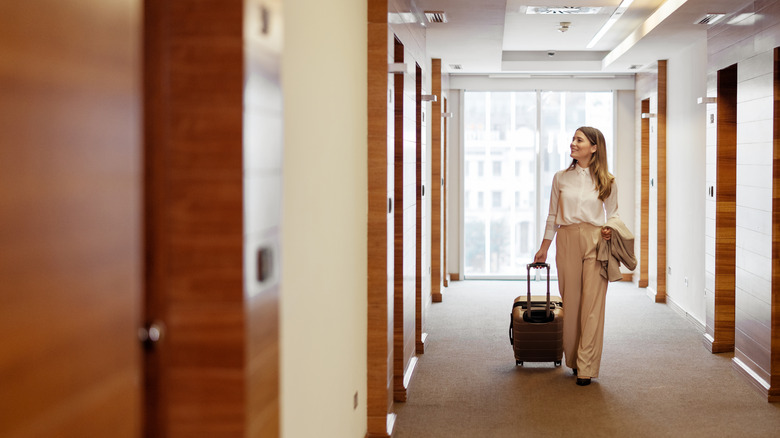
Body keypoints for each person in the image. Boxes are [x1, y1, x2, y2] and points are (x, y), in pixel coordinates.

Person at [533, 126, 617, 387]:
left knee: (593, 304)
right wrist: (544, 247)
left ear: (594, 147)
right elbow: (551, 216)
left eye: (579, 140)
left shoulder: (608, 180)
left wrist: (608, 230)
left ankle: (587, 366)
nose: (573, 143)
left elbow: (614, 214)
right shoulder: (560, 178)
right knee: (572, 303)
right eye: (573, 139)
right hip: (567, 239)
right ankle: (574, 359)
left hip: (595, 239)